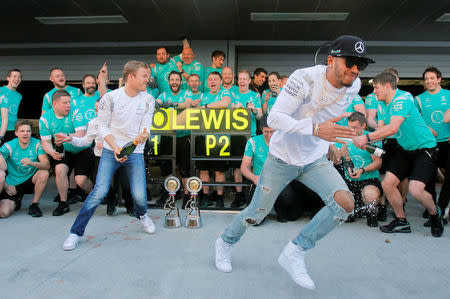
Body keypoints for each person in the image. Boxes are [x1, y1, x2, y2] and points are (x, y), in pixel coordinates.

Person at [215, 35, 372, 290]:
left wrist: (328, 141)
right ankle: (225, 242)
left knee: (345, 203)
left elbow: (326, 118)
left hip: (314, 159)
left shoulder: (353, 86)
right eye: (350, 62)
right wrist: (316, 129)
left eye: (361, 65)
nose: (355, 69)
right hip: (282, 158)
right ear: (331, 60)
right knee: (256, 213)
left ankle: (296, 250)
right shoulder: (304, 78)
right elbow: (275, 119)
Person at [62, 61, 155, 251]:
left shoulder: (148, 100)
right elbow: (102, 126)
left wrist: (141, 138)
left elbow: (146, 129)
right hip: (110, 150)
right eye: (144, 76)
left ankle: (143, 215)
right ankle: (75, 233)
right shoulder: (110, 98)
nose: (148, 79)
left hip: (135, 151)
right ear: (131, 77)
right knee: (99, 192)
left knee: (139, 196)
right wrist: (115, 148)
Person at [353, 72, 444, 237]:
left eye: (376, 88)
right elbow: (383, 130)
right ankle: (401, 221)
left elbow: (393, 128)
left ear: (387, 86)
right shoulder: (383, 104)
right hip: (405, 149)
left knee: (415, 190)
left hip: (425, 148)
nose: (373, 92)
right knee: (387, 184)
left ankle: (434, 213)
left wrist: (365, 137)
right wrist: (368, 142)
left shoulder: (403, 98)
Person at [241, 115, 321, 221]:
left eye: (272, 131)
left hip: (281, 181)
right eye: (266, 132)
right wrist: (254, 178)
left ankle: (284, 210)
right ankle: (262, 210)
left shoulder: (285, 141)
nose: (269, 135)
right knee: (254, 220)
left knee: (290, 214)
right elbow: (244, 168)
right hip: (261, 182)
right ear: (261, 129)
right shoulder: (253, 142)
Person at [39, 90, 93, 216]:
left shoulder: (75, 111)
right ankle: (63, 203)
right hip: (66, 150)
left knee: (81, 181)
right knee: (59, 170)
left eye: (69, 102)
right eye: (65, 103)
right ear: (55, 104)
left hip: (82, 149)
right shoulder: (45, 118)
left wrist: (66, 136)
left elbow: (81, 134)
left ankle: (92, 196)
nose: (68, 105)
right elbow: (45, 142)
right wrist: (52, 152)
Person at [331, 112, 383, 227]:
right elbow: (335, 161)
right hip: (349, 181)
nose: (351, 131)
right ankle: (356, 208)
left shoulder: (371, 138)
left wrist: (362, 170)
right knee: (348, 216)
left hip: (369, 179)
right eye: (349, 127)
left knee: (370, 195)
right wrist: (340, 154)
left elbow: (378, 163)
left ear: (363, 126)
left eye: (355, 128)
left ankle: (372, 212)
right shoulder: (343, 138)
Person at [414, 67, 449, 225]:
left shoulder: (448, 95)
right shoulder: (419, 99)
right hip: (429, 143)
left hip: (448, 141)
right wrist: (427, 129)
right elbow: (414, 120)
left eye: (432, 78)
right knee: (427, 177)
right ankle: (431, 208)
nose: (429, 81)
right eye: (427, 78)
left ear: (439, 79)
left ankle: (441, 208)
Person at [156, 71, 192, 207]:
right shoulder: (164, 94)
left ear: (181, 81)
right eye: (172, 80)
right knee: (167, 167)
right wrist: (157, 104)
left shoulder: (187, 92)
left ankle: (187, 196)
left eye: (177, 79)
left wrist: (173, 104)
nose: (175, 82)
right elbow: (157, 103)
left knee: (185, 168)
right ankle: (170, 192)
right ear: (169, 82)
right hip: (167, 135)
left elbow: (187, 104)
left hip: (184, 135)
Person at [0, 120, 50, 218]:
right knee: (3, 213)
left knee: (44, 173)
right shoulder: (8, 146)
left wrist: (33, 163)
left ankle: (34, 205)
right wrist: (5, 185)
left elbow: (47, 165)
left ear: (31, 133)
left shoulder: (37, 144)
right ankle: (17, 201)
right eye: (22, 131)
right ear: (16, 133)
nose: (25, 134)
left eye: (28, 131)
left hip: (31, 179)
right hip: (13, 183)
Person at [197, 72, 232, 207]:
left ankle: (219, 196)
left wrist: (205, 106)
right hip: (202, 137)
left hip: (220, 138)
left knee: (219, 170)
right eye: (210, 79)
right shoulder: (202, 95)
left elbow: (224, 104)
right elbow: (193, 107)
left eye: (215, 79)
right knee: (203, 169)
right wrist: (194, 104)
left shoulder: (225, 93)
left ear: (220, 81)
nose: (212, 81)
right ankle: (206, 196)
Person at [228, 70, 263, 207]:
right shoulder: (232, 93)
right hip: (235, 135)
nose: (242, 81)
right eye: (240, 79)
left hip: (252, 135)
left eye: (245, 79)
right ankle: (239, 195)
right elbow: (224, 107)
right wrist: (232, 107)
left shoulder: (255, 95)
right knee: (237, 166)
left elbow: (260, 117)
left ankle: (252, 193)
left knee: (252, 165)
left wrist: (254, 110)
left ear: (249, 81)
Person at [0, 69, 23, 144]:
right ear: (8, 78)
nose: (17, 79)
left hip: (12, 130)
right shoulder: (1, 91)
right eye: (14, 76)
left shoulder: (19, 96)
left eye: (19, 77)